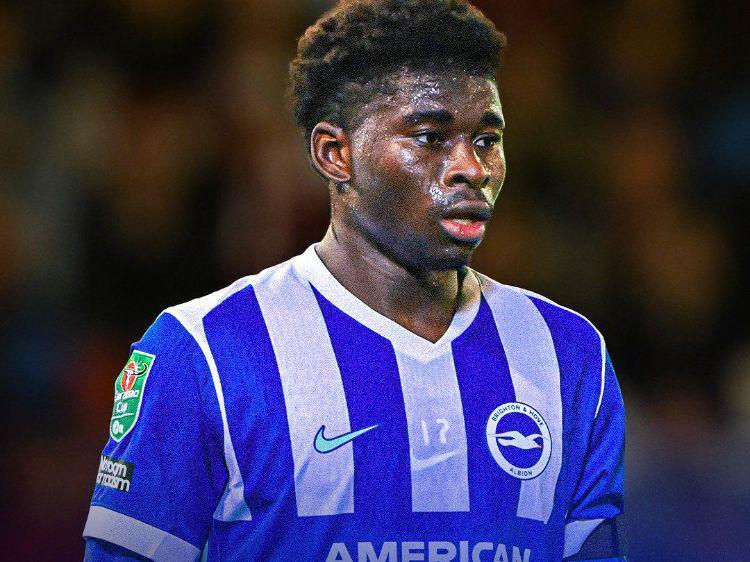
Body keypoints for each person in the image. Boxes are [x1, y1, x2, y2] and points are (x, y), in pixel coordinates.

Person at [83, 1, 626, 560]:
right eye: (430, 138)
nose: (472, 167)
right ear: (334, 154)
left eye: (487, 139)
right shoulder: (204, 352)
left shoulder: (567, 354)